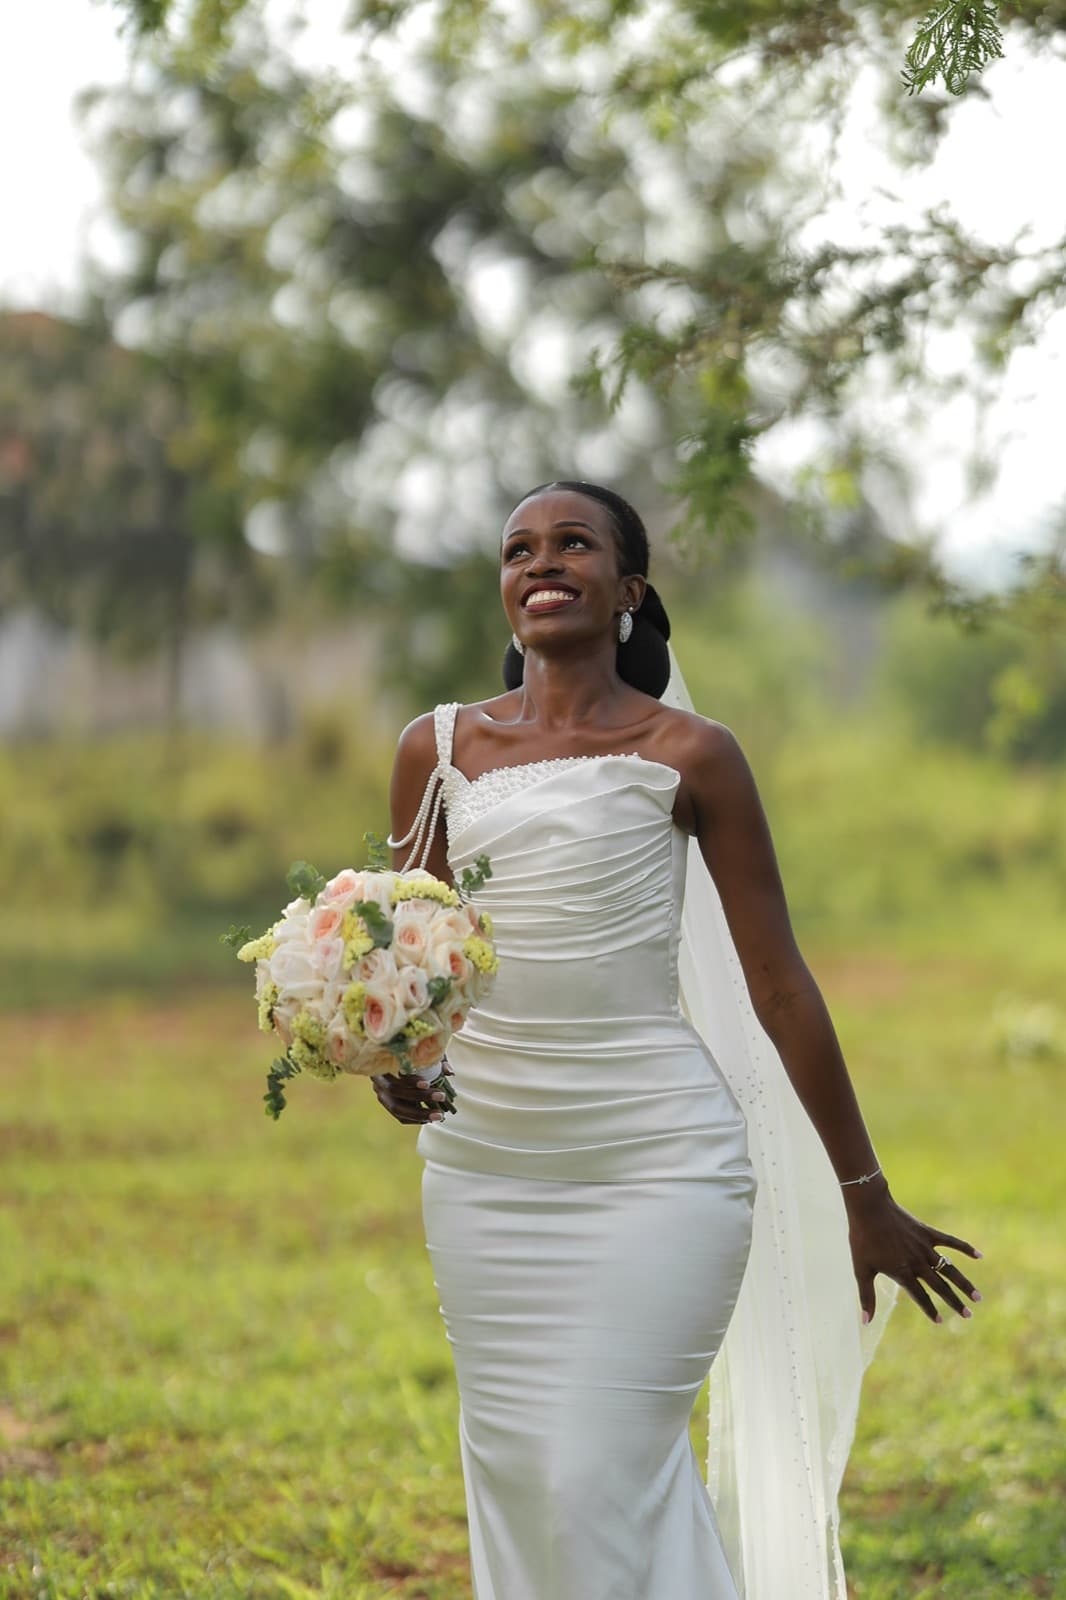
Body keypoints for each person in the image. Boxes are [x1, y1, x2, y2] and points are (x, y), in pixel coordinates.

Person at [374, 480, 981, 1600]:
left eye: (573, 543)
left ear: (628, 589)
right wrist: (397, 1068)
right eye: (518, 549)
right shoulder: (437, 749)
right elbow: (407, 969)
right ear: (504, 591)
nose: (541, 561)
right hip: (487, 1173)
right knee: (519, 1474)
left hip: (658, 1161)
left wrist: (863, 1190)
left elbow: (780, 987)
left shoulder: (691, 753)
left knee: (598, 1474)